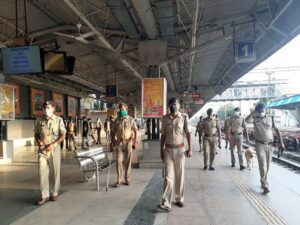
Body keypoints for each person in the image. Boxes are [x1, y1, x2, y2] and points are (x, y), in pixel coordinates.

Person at [158, 98, 192, 211]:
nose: (173, 106)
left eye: (175, 104)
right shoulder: (165, 118)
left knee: (180, 175)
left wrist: (190, 149)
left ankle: (179, 198)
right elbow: (163, 135)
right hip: (167, 150)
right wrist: (161, 150)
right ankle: (166, 203)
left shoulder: (184, 117)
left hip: (180, 151)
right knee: (168, 176)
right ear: (169, 106)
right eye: (171, 104)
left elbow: (188, 133)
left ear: (179, 105)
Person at [245, 103, 284, 194]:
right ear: (257, 111)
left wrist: (281, 143)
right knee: (262, 164)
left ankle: (263, 180)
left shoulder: (270, 118)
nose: (262, 111)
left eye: (263, 110)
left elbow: (277, 130)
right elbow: (247, 120)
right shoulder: (254, 118)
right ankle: (265, 184)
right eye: (260, 110)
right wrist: (253, 113)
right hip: (259, 145)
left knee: (268, 166)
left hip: (270, 145)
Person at [34, 100, 66, 205]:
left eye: (48, 108)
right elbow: (37, 134)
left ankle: (54, 192)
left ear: (53, 109)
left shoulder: (59, 120)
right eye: (45, 108)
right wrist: (39, 142)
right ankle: (45, 195)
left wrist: (55, 144)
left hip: (54, 149)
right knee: (42, 172)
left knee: (55, 172)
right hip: (42, 150)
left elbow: (63, 135)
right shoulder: (39, 120)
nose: (46, 110)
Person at [110, 103, 138, 187]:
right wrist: (112, 142)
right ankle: (119, 179)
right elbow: (112, 132)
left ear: (126, 110)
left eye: (123, 109)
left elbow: (136, 131)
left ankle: (127, 179)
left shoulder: (130, 120)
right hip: (119, 143)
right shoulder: (116, 120)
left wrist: (134, 142)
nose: (121, 110)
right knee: (118, 161)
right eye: (120, 109)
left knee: (128, 161)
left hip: (128, 142)